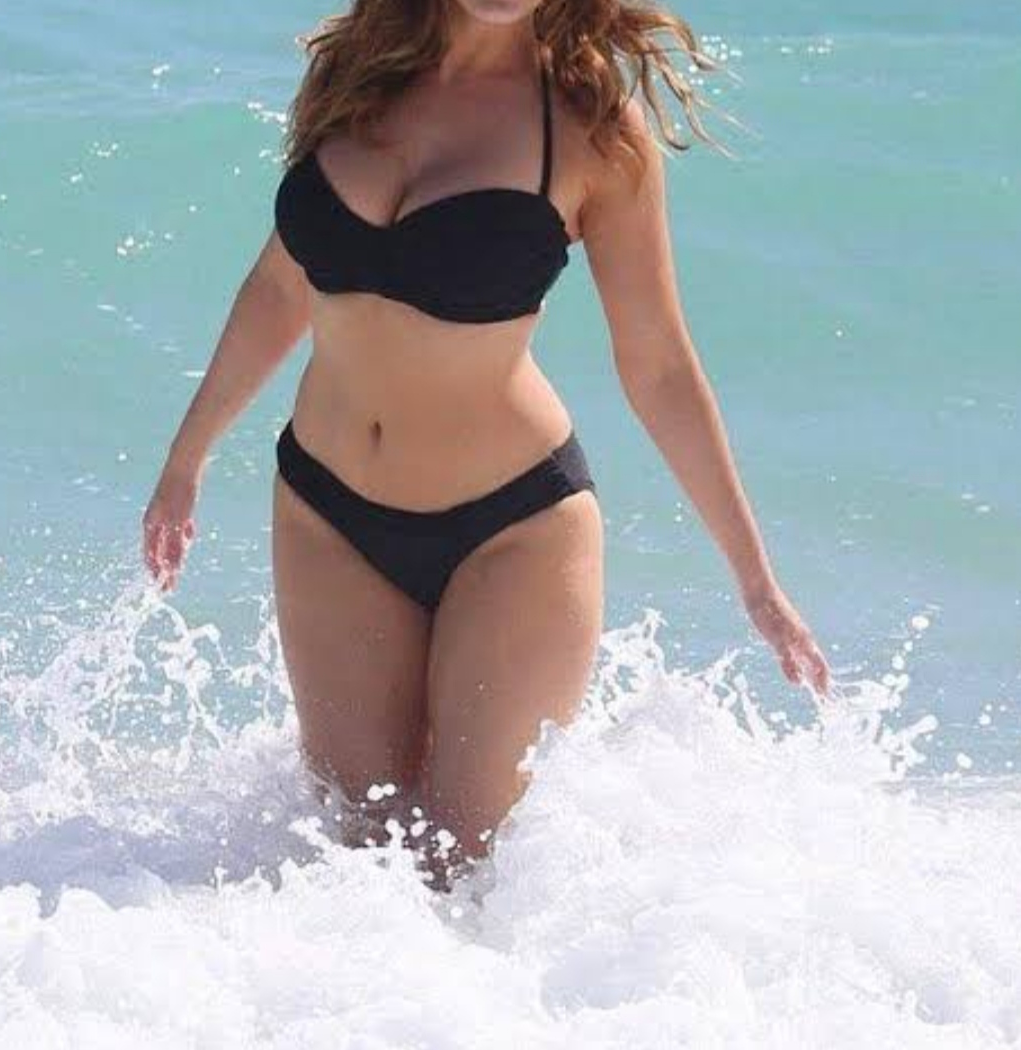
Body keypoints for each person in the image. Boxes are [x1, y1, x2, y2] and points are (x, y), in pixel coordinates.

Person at [143, 0, 832, 893]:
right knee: (354, 858)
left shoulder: (590, 128)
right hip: (327, 514)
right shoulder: (355, 75)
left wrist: (755, 580)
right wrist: (187, 457)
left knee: (457, 868)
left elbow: (659, 365)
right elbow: (281, 288)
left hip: (513, 528)